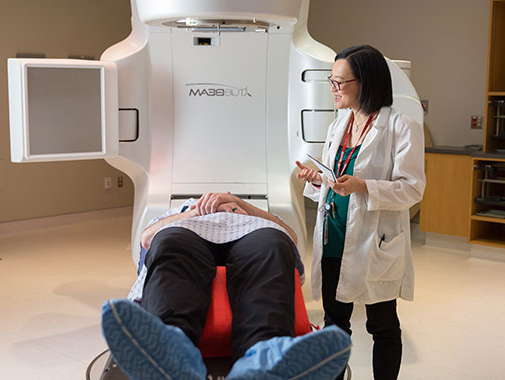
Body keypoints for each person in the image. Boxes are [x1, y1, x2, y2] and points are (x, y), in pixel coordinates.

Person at [101, 192, 352, 380]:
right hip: (187, 232)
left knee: (274, 245)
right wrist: (195, 211)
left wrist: (239, 205)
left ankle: (262, 360)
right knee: (169, 245)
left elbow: (291, 237)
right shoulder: (180, 211)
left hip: (253, 233)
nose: (216, 200)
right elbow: (147, 239)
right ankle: (170, 354)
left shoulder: (252, 213)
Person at [295, 45, 425, 380]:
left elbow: (412, 189)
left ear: (365, 82)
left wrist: (364, 186)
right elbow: (337, 180)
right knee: (334, 325)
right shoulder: (339, 125)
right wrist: (317, 180)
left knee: (382, 326)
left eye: (339, 81)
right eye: (332, 80)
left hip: (374, 242)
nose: (333, 88)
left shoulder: (400, 126)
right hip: (334, 238)